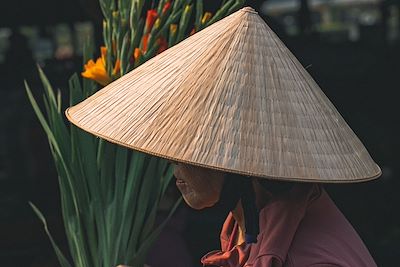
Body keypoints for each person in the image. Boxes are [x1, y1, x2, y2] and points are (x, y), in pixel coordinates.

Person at [67, 7, 382, 267]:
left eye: (189, 150)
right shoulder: (251, 226)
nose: (174, 168)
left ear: (237, 162)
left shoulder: (313, 257)